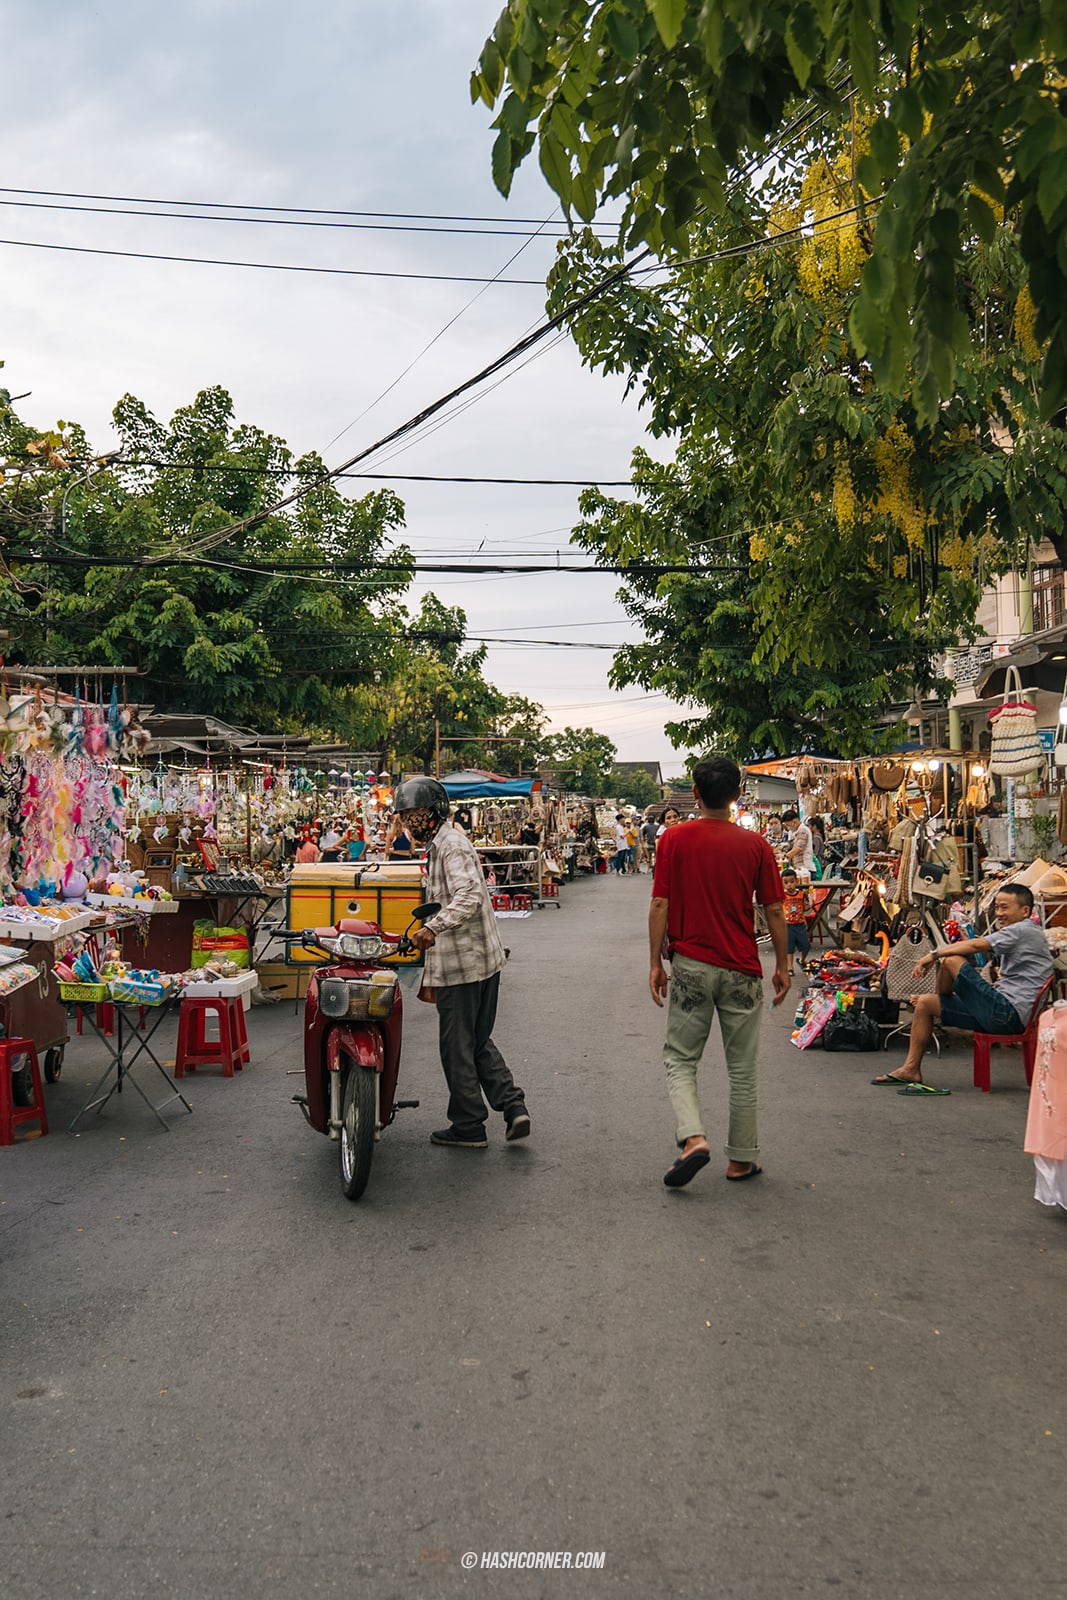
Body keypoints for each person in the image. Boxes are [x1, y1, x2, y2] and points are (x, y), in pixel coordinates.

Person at [649, 756, 790, 1188]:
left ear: (695, 793)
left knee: (680, 1059)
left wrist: (655, 961)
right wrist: (783, 965)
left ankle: (693, 1138)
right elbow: (774, 910)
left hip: (691, 965)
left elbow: (660, 904)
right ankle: (741, 1159)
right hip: (742, 968)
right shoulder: (756, 846)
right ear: (736, 796)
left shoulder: (672, 839)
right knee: (743, 1068)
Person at [399, 776, 530, 1148]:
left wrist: (433, 928)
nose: (410, 822)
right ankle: (512, 1105)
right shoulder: (442, 845)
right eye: (406, 815)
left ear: (433, 811)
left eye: (414, 814)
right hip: (482, 960)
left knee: (457, 1046)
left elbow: (470, 894)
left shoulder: (451, 846)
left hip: (463, 965)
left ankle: (469, 1125)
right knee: (475, 1040)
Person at [872, 883, 1054, 1092]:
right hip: (1000, 1011)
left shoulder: (1023, 930)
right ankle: (911, 1069)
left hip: (1007, 1015)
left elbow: (977, 945)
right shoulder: (1018, 931)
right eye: (997, 907)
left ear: (1025, 911)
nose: (999, 913)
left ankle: (943, 1000)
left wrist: (933, 955)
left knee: (951, 960)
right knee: (925, 1004)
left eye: (1005, 907)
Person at [780, 868, 813, 976]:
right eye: (786, 882)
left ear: (797, 881)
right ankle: (790, 967)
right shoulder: (782, 896)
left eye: (792, 882)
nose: (789, 885)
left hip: (800, 924)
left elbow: (804, 908)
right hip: (787, 925)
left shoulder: (801, 894)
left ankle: (802, 960)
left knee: (806, 945)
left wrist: (809, 906)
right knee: (789, 947)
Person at [782, 808, 814, 879]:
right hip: (801, 869)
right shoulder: (798, 832)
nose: (788, 827)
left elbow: (798, 848)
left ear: (794, 821)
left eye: (788, 825)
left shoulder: (803, 830)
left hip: (805, 869)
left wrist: (784, 857)